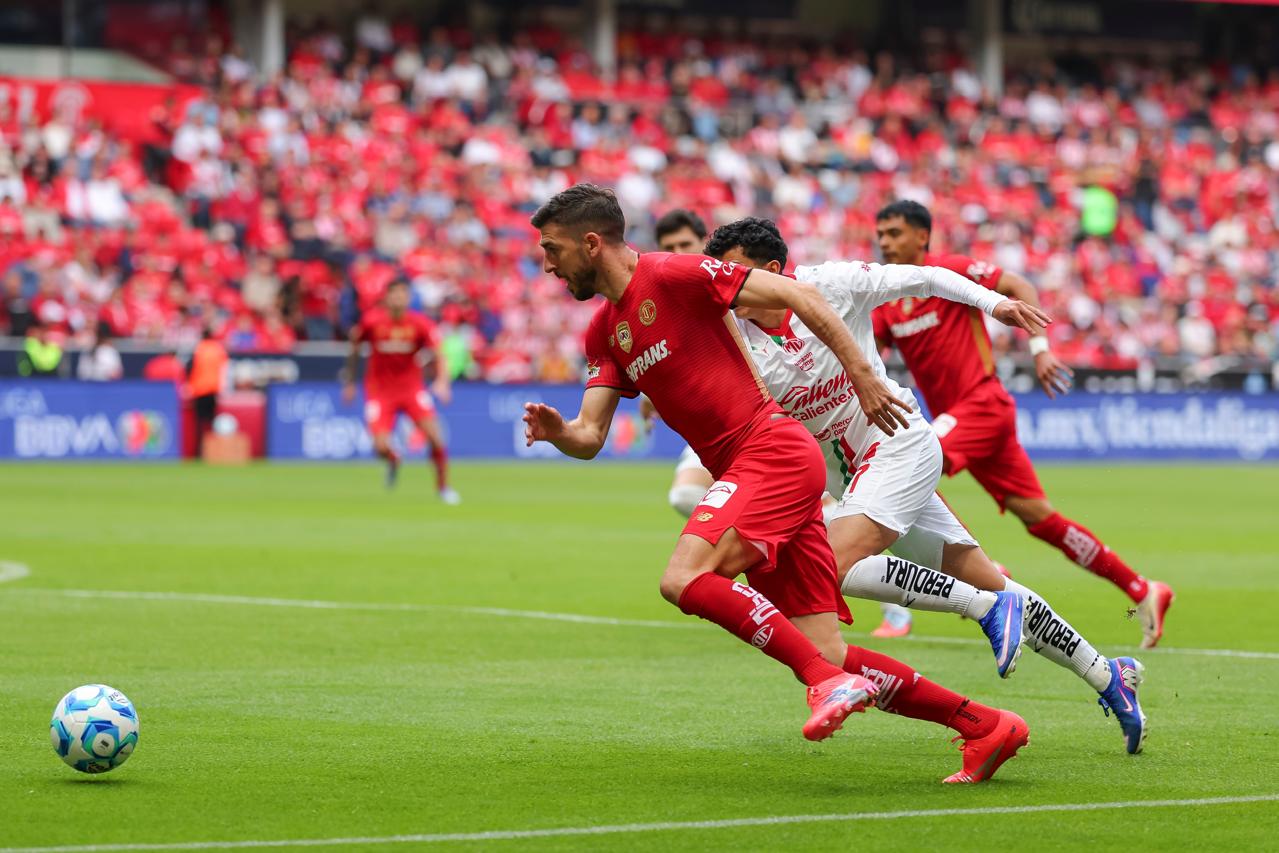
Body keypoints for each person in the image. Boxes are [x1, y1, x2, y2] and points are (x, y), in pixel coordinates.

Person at [523, 184, 1027, 782]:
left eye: (552, 249)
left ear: (591, 242)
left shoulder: (677, 275)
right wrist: (560, 433)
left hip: (770, 450)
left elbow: (797, 293)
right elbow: (590, 435)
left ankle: (828, 683)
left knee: (684, 578)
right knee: (826, 649)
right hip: (754, 466)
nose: (547, 264)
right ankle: (985, 725)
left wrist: (863, 376)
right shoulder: (604, 332)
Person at [705, 217, 1148, 754]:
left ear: (772, 270)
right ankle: (1109, 676)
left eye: (736, 270)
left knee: (825, 565)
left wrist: (995, 305)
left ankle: (981, 609)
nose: (727, 282)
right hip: (859, 480)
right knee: (990, 579)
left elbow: (927, 278)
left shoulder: (832, 284)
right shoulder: (736, 341)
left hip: (900, 445)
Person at [870, 200, 1174, 649]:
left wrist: (1040, 350)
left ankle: (979, 571)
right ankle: (1142, 589)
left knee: (907, 468)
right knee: (1040, 519)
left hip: (982, 404)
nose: (884, 242)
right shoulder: (890, 300)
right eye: (880, 234)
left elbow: (1016, 283)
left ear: (921, 236)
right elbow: (862, 350)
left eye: (894, 233)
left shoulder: (949, 270)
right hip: (965, 420)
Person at [343, 278, 458, 504]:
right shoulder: (371, 322)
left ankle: (443, 488)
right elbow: (354, 349)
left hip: (411, 389)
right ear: (386, 297)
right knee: (380, 447)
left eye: (403, 294)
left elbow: (439, 353)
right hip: (379, 391)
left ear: (408, 298)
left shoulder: (420, 323)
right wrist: (350, 382)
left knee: (435, 437)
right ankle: (394, 459)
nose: (398, 298)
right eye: (394, 294)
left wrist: (442, 381)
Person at [640, 209, 716, 517]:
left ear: (704, 243)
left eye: (686, 244)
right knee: (685, 496)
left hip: (771, 420)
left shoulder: (728, 288)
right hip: (713, 429)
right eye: (669, 248)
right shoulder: (657, 305)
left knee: (830, 516)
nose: (678, 254)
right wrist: (650, 395)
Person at [189, 328, 229, 458]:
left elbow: (191, 367)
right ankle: (214, 451)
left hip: (199, 389)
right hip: (213, 389)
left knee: (200, 423)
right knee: (212, 421)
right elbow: (225, 369)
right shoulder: (218, 349)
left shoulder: (199, 349)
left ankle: (200, 452)